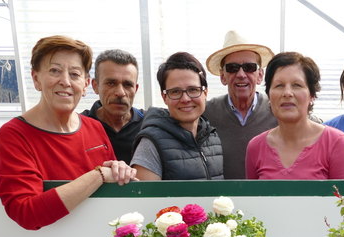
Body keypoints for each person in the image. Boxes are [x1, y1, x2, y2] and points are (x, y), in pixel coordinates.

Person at [0, 35, 137, 230]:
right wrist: (99, 175)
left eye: (75, 74)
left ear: (85, 84)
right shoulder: (15, 135)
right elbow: (27, 213)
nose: (66, 81)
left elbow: (110, 193)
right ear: (36, 79)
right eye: (55, 71)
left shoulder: (94, 127)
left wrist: (119, 172)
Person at [245, 52, 344, 180]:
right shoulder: (256, 147)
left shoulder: (336, 143)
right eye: (279, 85)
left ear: (312, 95)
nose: (287, 93)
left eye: (297, 85)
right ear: (269, 95)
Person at [131, 52, 223, 180]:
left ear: (205, 92)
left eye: (193, 90)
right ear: (164, 97)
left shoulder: (212, 137)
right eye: (175, 92)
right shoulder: (151, 144)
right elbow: (144, 193)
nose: (185, 99)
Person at [205, 30, 278, 179]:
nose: (241, 74)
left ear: (260, 75)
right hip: (221, 194)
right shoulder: (206, 113)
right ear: (223, 76)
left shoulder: (277, 110)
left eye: (249, 67)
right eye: (232, 68)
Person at [81, 49, 144, 164]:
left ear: (136, 89)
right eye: (111, 83)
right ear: (95, 86)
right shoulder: (79, 127)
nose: (120, 93)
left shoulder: (149, 126)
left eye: (127, 85)